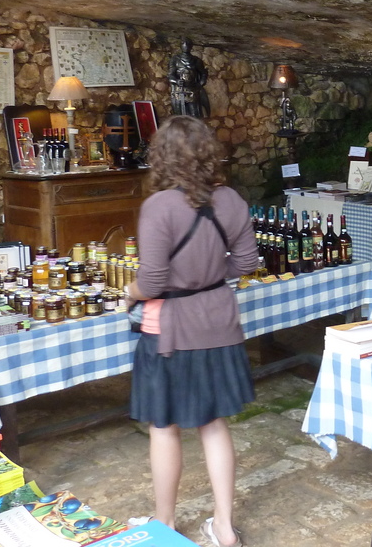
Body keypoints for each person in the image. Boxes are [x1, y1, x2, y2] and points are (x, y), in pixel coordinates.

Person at [124, 115, 258, 547]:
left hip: (171, 329)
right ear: (207, 153)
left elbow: (153, 281)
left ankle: (164, 523)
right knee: (213, 424)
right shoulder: (232, 200)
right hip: (218, 319)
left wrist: (129, 292)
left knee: (164, 427)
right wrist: (210, 274)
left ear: (161, 157)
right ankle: (223, 527)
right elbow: (247, 262)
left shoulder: (159, 207)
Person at [168, 37, 211, 119]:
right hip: (179, 91)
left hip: (192, 90)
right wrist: (176, 81)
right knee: (180, 117)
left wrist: (200, 84)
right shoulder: (175, 60)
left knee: (195, 116)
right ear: (181, 46)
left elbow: (203, 74)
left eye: (188, 44)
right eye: (184, 44)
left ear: (191, 46)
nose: (186, 46)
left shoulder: (196, 60)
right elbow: (170, 75)